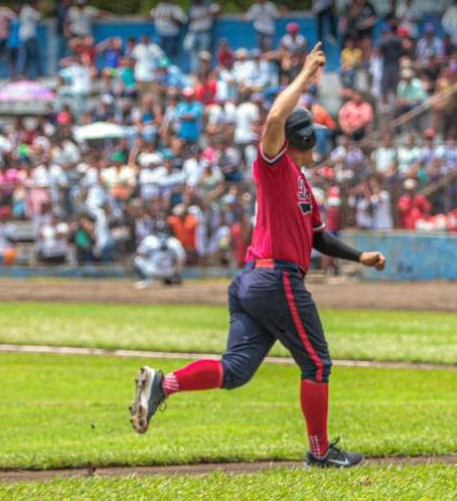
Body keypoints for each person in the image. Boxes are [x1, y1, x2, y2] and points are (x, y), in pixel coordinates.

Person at [129, 43, 387, 468]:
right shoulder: (276, 167)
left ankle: (164, 383)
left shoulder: (303, 187)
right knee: (318, 364)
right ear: (305, 139)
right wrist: (305, 75)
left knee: (236, 371)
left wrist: (360, 257)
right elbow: (273, 120)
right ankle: (320, 453)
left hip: (252, 282)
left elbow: (319, 238)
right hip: (277, 280)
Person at [134, 222, 186, 289]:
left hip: (153, 271)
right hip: (169, 272)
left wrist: (150, 257)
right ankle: (172, 278)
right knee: (179, 259)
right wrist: (176, 272)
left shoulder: (149, 239)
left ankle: (146, 279)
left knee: (137, 259)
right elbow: (182, 258)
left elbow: (139, 253)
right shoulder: (174, 241)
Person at [17, 0, 42, 78]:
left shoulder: (25, 9)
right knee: (34, 55)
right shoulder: (29, 10)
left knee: (27, 56)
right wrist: (37, 9)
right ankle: (39, 73)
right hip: (29, 36)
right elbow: (38, 17)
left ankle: (23, 73)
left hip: (25, 36)